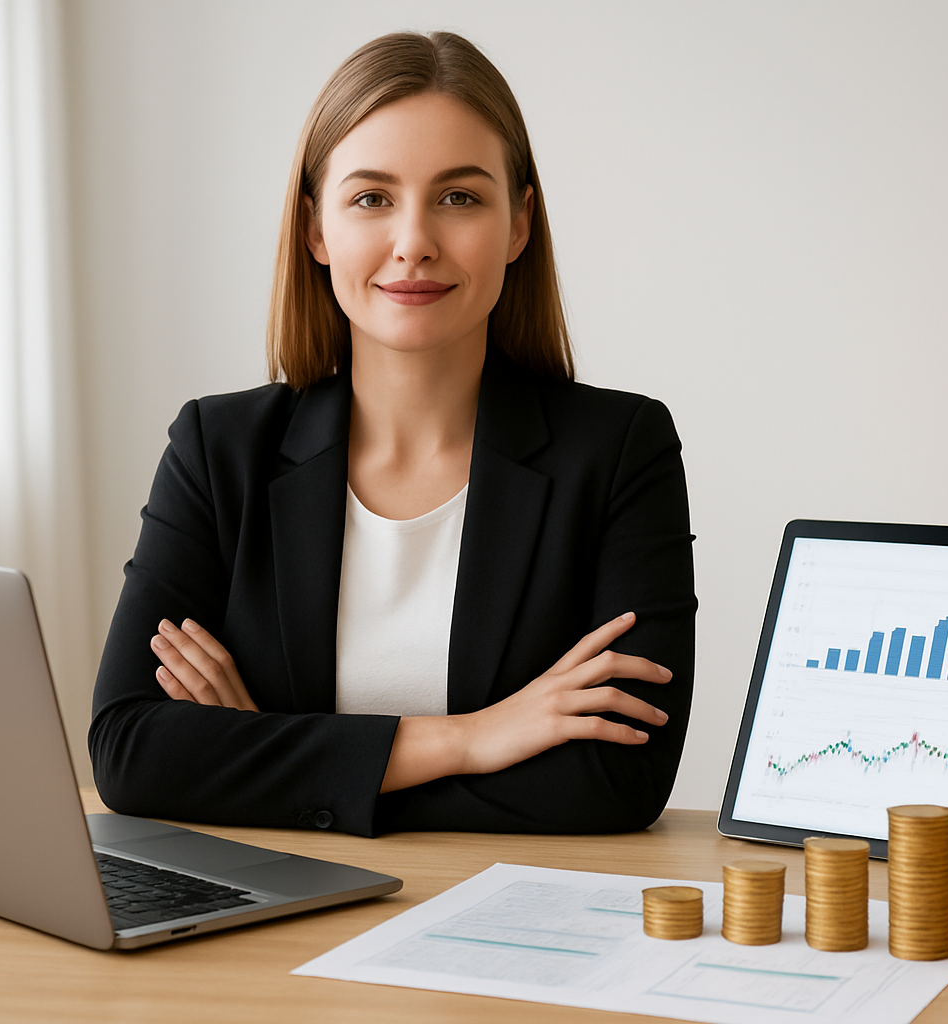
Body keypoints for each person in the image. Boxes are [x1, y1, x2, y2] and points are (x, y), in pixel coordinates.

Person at [88, 31, 696, 837]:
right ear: (315, 230)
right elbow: (131, 752)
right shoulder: (217, 449)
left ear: (518, 225)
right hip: (273, 926)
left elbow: (619, 778)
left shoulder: (621, 451)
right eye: (372, 198)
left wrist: (268, 754)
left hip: (514, 924)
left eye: (459, 197)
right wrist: (474, 738)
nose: (414, 241)